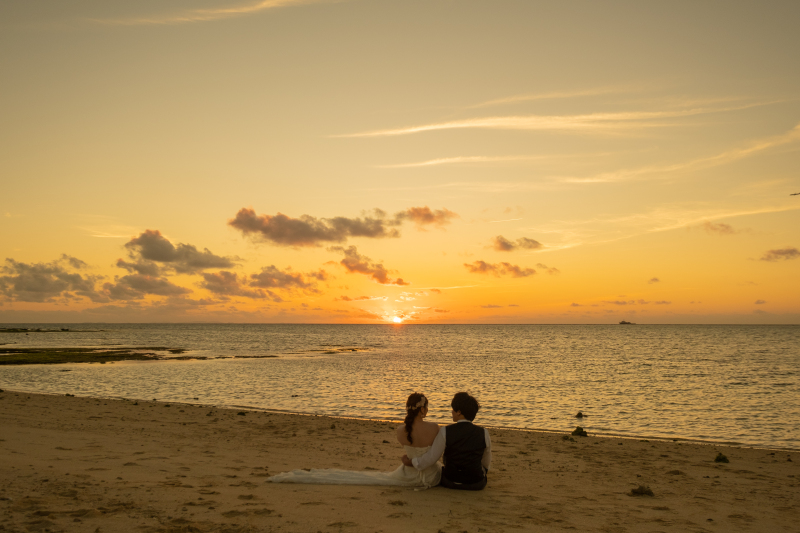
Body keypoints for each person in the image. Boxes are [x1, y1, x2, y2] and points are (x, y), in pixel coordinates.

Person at [268, 392, 442, 488]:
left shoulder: (400, 431)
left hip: (408, 474)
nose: (427, 410)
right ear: (422, 409)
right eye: (426, 407)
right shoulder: (435, 428)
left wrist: (409, 460)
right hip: (431, 476)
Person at [401, 391, 490, 490]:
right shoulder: (484, 433)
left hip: (450, 481)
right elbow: (486, 461)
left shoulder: (445, 431)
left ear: (459, 412)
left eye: (453, 409)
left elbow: (432, 457)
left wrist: (412, 462)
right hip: (476, 483)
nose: (451, 412)